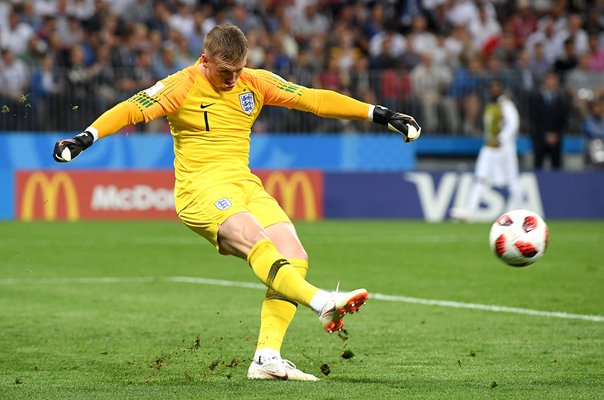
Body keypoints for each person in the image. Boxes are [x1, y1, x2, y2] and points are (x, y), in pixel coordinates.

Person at [52, 24, 421, 381]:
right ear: (205, 60)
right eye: (225, 71)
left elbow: (314, 99)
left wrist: (381, 114)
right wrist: (85, 137)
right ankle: (322, 301)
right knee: (256, 240)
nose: (232, 79)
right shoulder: (181, 85)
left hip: (244, 184)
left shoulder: (254, 82)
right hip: (200, 190)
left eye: (238, 69)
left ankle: (266, 357)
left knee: (294, 255)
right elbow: (130, 109)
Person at [451, 79, 522, 222]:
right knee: (480, 177)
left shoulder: (505, 104)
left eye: (496, 87)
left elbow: (514, 123)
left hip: (503, 147)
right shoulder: (491, 104)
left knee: (512, 179)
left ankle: (522, 211)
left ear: (501, 89)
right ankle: (470, 210)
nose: (493, 90)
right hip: (489, 146)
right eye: (491, 87)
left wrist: (501, 138)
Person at [529, 71, 569, 170]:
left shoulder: (561, 99)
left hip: (556, 140)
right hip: (540, 138)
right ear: (545, 81)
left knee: (556, 167)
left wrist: (556, 134)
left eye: (554, 79)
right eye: (549, 79)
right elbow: (534, 119)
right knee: (538, 166)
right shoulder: (536, 98)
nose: (551, 82)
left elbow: (563, 120)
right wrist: (544, 135)